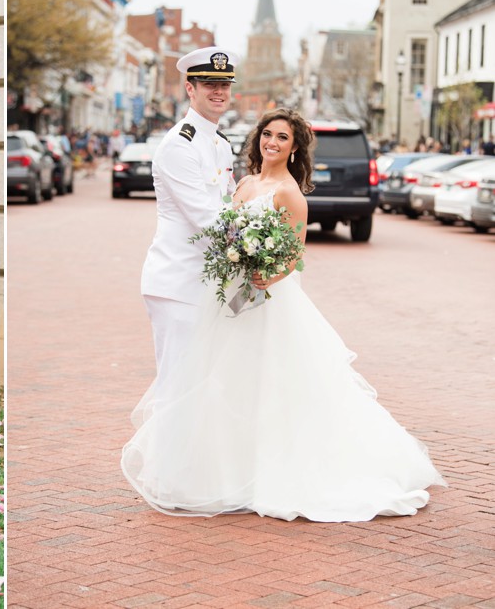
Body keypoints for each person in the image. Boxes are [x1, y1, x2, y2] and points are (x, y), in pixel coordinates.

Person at [123, 108, 445, 522]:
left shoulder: (290, 193)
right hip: (228, 297)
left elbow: (294, 255)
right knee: (226, 383)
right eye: (268, 135)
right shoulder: (245, 182)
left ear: (295, 150)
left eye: (282, 139)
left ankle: (274, 472)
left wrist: (263, 275)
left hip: (268, 300)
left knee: (272, 384)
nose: (272, 143)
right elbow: (225, 230)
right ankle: (226, 470)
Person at [140, 46, 238, 381]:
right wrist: (259, 243)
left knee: (205, 389)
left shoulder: (220, 144)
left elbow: (231, 202)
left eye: (224, 85)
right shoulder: (179, 145)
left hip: (208, 284)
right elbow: (208, 220)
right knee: (178, 386)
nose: (218, 92)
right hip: (178, 284)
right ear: (190, 88)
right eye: (209, 84)